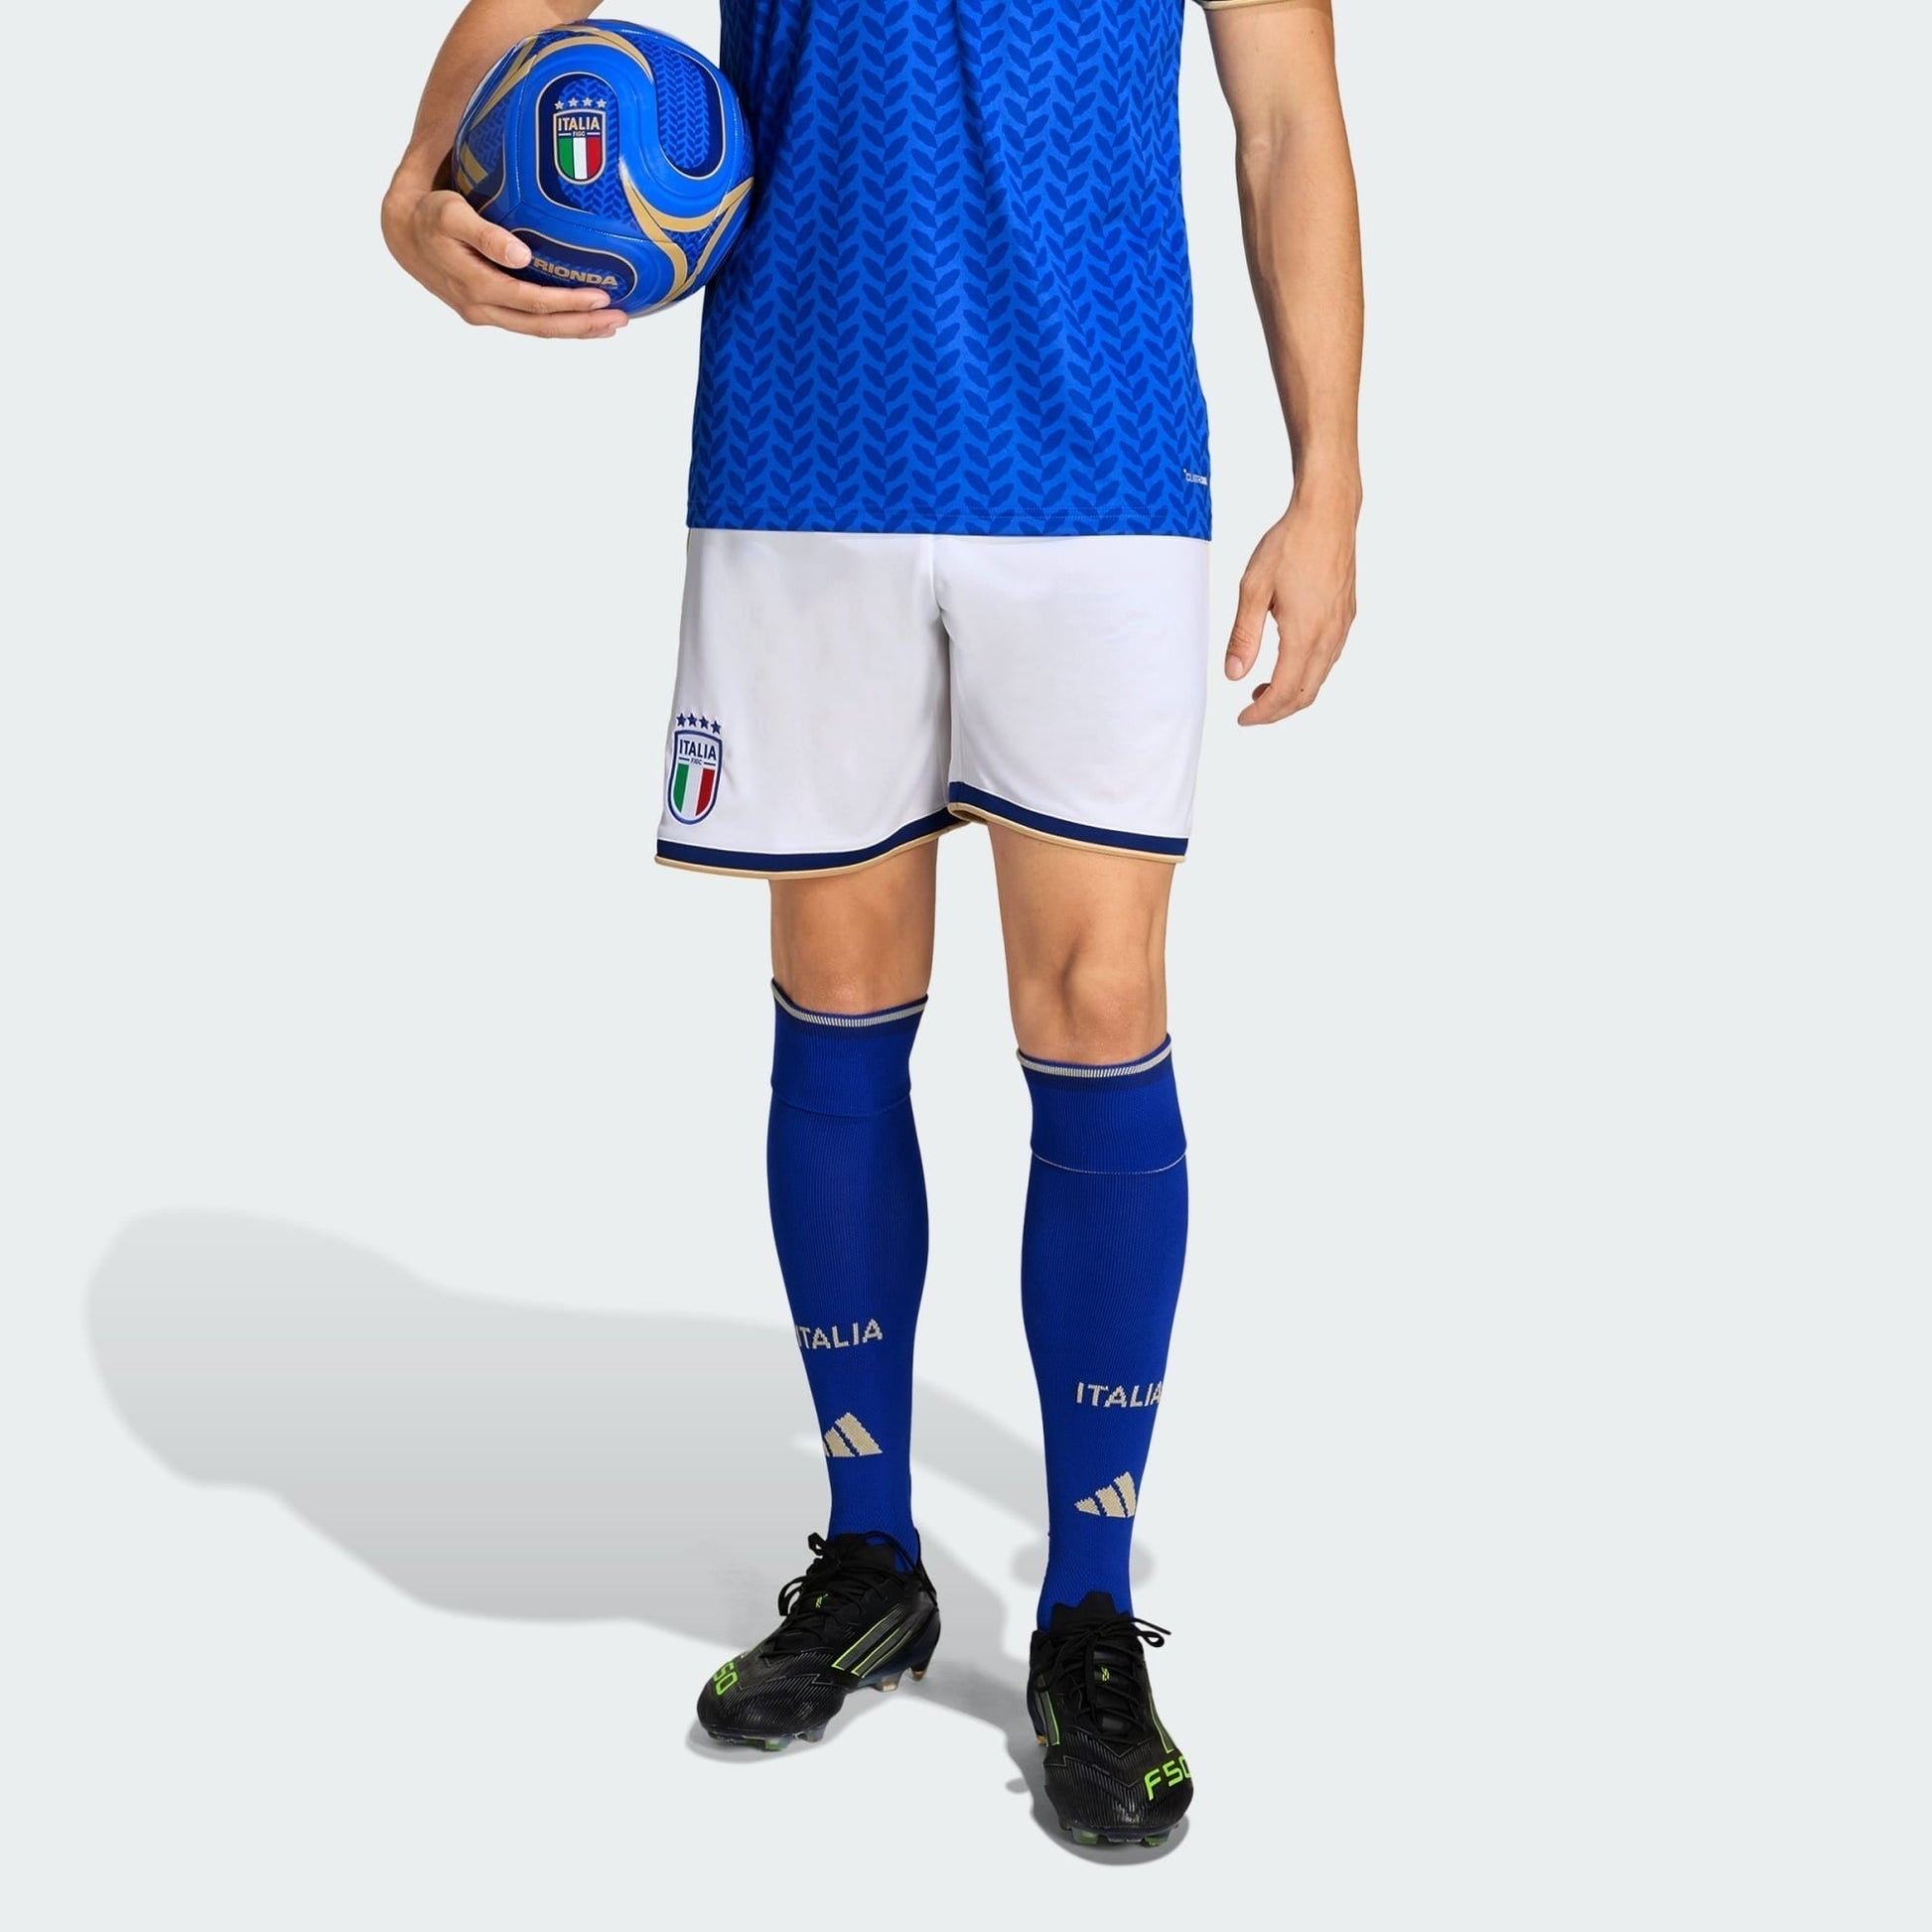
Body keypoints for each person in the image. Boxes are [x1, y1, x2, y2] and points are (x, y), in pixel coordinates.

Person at [385, 0, 1361, 1850]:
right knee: (832, 995)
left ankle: (1087, 1608)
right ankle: (869, 1557)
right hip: (801, 444)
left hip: (1092, 459)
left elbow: (1286, 121)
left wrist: (1330, 482)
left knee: (1095, 1004)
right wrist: (411, 185)